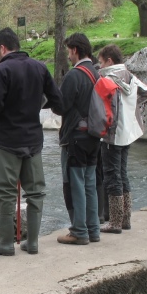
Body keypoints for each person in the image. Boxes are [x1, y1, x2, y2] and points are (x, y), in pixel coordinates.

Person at [0, 27, 63, 256]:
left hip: (8, 140)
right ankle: (34, 242)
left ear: (2, 47)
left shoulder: (1, 70)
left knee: (6, 193)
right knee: (36, 191)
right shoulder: (40, 67)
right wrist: (36, 106)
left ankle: (6, 244)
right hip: (34, 140)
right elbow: (58, 101)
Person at [57, 32, 101, 245]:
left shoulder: (74, 75)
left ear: (75, 50)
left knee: (75, 184)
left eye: (68, 50)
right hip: (94, 136)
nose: (68, 54)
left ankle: (79, 231)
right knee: (90, 184)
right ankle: (93, 230)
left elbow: (61, 106)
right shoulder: (96, 72)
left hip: (75, 137)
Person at [97, 44, 144, 232]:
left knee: (111, 176)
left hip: (113, 134)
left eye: (100, 62)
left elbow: (105, 108)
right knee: (122, 174)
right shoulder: (130, 76)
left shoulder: (109, 78)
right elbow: (146, 93)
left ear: (109, 60)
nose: (99, 66)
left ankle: (115, 222)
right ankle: (126, 219)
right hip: (128, 133)